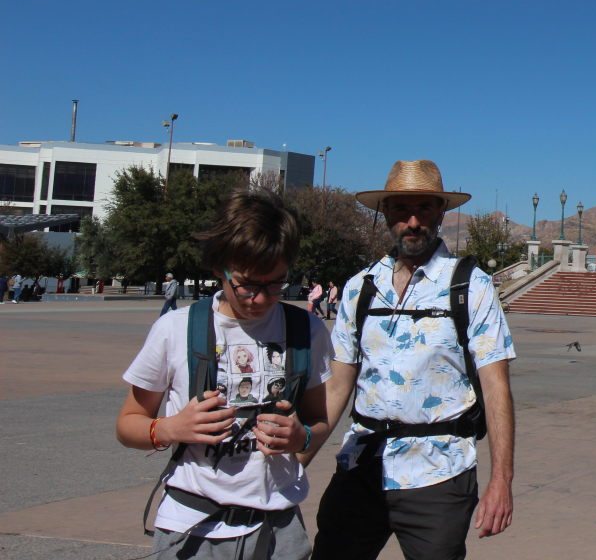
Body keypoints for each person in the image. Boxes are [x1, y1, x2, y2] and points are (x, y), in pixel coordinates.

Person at [310, 159, 516, 560]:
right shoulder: (360, 288)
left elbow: (496, 388)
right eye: (402, 209)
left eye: (424, 208)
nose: (413, 221)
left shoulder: (469, 286)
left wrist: (501, 482)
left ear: (441, 213)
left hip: (439, 474)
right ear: (385, 213)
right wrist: (296, 462)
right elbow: (336, 389)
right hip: (361, 467)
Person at [115, 187, 332, 560]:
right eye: (246, 285)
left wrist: (302, 437)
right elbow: (128, 424)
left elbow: (319, 420)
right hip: (193, 526)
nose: (260, 299)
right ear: (220, 268)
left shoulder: (306, 331)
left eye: (275, 284)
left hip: (279, 527)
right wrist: (170, 428)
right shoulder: (175, 328)